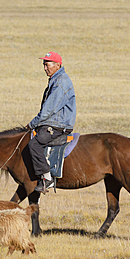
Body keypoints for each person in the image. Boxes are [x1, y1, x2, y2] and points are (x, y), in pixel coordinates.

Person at [27, 51, 76, 192]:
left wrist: (32, 124)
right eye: (44, 64)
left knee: (34, 144)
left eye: (47, 64)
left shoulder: (61, 82)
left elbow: (48, 110)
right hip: (53, 123)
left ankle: (47, 177)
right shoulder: (56, 79)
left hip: (58, 126)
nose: (44, 68)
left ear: (57, 65)